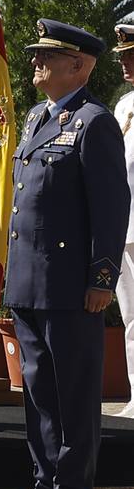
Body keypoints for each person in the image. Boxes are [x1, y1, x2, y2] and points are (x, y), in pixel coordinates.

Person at [0, 20, 128, 489]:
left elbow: (112, 206)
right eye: (36, 55)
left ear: (80, 65)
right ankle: (43, 484)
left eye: (47, 57)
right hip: (29, 280)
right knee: (38, 392)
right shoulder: (34, 119)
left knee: (73, 392)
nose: (36, 63)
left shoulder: (94, 122)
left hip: (71, 284)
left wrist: (102, 278)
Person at [110, 21, 134, 417]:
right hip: (125, 228)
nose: (125, 63)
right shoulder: (124, 105)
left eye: (131, 55)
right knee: (131, 317)